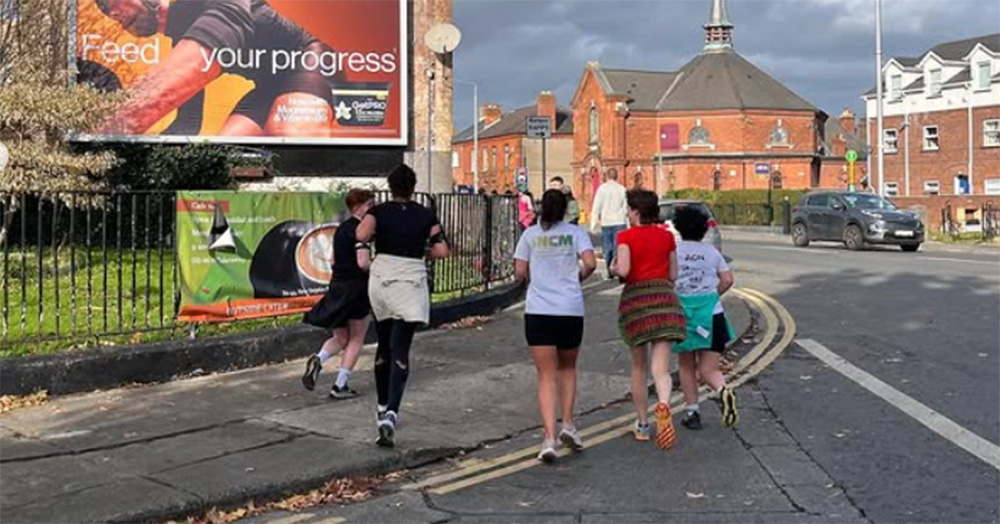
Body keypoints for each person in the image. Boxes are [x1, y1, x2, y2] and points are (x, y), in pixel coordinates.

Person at [93, 0, 337, 137]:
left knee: (288, 135)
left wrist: (101, 136)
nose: (111, 13)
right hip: (268, 86)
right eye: (103, 10)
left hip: (310, 59)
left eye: (109, 1)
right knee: (227, 149)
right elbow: (189, 121)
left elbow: (228, 21)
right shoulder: (182, 38)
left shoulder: (205, 6)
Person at [356, 164, 450, 448]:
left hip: (383, 277)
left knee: (383, 344)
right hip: (410, 279)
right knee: (401, 348)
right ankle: (393, 413)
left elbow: (361, 235)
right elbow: (442, 250)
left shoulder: (378, 212)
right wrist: (421, 249)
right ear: (412, 187)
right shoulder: (425, 215)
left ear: (391, 185)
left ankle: (382, 406)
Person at [514, 189, 596, 463]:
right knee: (568, 368)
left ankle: (549, 438)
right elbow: (591, 263)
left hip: (539, 310)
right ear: (565, 209)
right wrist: (577, 278)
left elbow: (520, 272)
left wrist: (537, 280)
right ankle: (569, 424)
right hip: (570, 309)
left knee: (546, 375)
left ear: (540, 209)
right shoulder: (576, 233)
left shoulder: (530, 235)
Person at [610, 189, 686, 450]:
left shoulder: (625, 236)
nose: (627, 214)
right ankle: (664, 403)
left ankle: (643, 425)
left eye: (629, 209)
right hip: (664, 301)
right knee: (661, 369)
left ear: (636, 212)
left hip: (637, 303)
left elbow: (625, 270)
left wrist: (613, 268)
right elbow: (674, 274)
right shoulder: (666, 237)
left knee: (638, 368)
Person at [301, 189, 375, 399]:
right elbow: (363, 262)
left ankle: (319, 358)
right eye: (369, 205)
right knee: (357, 338)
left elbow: (333, 260)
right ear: (358, 207)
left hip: (337, 287)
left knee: (340, 336)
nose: (372, 210)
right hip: (356, 289)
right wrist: (376, 269)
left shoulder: (341, 229)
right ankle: (340, 385)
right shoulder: (361, 230)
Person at [672, 205, 738, 430]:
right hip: (712, 315)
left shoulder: (674, 251)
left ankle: (692, 412)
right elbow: (728, 279)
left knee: (686, 365)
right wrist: (712, 296)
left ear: (678, 227)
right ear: (703, 230)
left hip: (684, 316)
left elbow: (667, 280)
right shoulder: (712, 252)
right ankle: (723, 390)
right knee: (709, 369)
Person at [589, 168, 628, 277]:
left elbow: (596, 207)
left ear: (606, 176)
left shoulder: (602, 189)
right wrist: (628, 223)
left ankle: (609, 270)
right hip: (620, 221)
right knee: (619, 247)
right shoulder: (622, 189)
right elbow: (625, 208)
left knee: (608, 247)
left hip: (606, 222)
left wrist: (593, 224)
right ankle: (618, 268)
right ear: (617, 176)